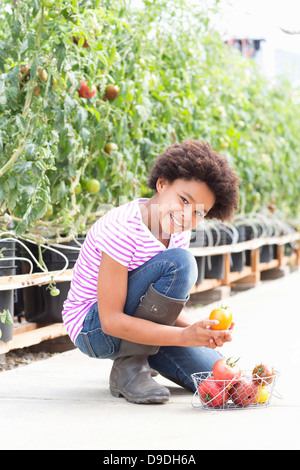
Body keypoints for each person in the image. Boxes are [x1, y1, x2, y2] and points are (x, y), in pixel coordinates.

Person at [62, 139, 240, 404]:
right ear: (162, 183)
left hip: (134, 321)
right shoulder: (122, 227)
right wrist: (182, 336)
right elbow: (111, 320)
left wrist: (197, 329)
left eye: (199, 213)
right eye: (183, 200)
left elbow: (161, 302)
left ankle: (140, 358)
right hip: (95, 329)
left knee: (218, 379)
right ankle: (129, 368)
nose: (186, 215)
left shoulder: (178, 230)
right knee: (180, 263)